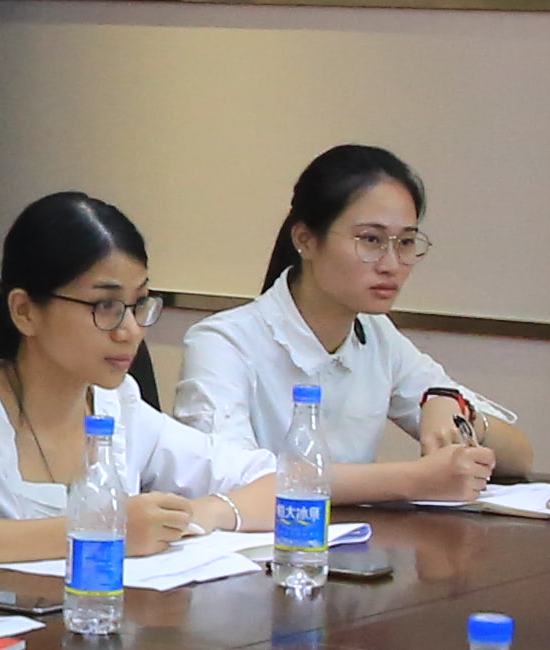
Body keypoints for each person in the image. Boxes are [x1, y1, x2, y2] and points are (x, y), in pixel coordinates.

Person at [0, 194, 284, 570]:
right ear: (25, 311)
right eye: (105, 305)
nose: (130, 331)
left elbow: (280, 484)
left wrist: (196, 514)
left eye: (139, 303)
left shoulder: (117, 405)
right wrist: (100, 529)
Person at [175, 143, 498, 505]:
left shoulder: (377, 335)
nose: (392, 264)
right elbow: (227, 476)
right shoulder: (223, 341)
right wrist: (413, 479)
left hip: (354, 538)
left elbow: (520, 452)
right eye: (371, 240)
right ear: (305, 240)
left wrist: (449, 403)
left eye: (406, 242)